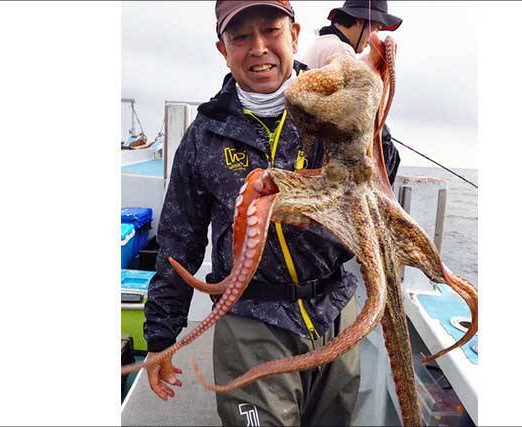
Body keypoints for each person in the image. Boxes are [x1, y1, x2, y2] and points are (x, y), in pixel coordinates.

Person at [142, 1, 399, 425]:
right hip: (251, 320)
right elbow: (178, 240)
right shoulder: (206, 135)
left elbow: (377, 178)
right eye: (240, 36)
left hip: (334, 310)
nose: (258, 48)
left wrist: (369, 115)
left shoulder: (333, 105)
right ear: (223, 50)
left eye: (271, 30)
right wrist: (161, 335)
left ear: (294, 35)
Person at [302, 0, 403, 184]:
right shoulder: (341, 50)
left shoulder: (322, 43)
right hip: (321, 154)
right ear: (359, 21)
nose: (373, 38)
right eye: (376, 28)